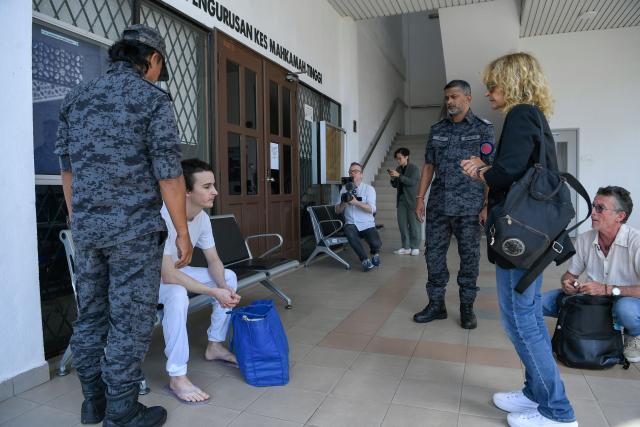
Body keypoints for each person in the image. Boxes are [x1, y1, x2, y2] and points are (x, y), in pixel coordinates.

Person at [55, 24, 192, 426]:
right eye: (158, 66)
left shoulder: (76, 99)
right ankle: (122, 410)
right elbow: (169, 175)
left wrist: (78, 218)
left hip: (88, 230)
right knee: (128, 321)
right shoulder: (152, 99)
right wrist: (183, 232)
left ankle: (92, 403)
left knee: (91, 315)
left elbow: (68, 171)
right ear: (151, 60)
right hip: (133, 232)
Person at [461, 53, 577, 427]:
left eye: (492, 86)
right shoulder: (533, 117)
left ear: (510, 83)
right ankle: (533, 393)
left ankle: (558, 413)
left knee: (523, 321)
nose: (488, 94)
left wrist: (479, 170)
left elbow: (507, 173)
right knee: (516, 319)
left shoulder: (521, 114)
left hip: (520, 236)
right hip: (524, 235)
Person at [413, 80, 496, 330]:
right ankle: (436, 305)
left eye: (454, 97)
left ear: (468, 98)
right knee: (434, 257)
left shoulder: (483, 129)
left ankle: (467, 308)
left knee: (469, 259)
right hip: (439, 206)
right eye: (447, 97)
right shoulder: (437, 129)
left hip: (470, 208)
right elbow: (429, 166)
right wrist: (420, 199)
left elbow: (491, 169)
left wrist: (486, 205)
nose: (449, 102)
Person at [159, 159, 242, 403]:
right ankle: (177, 376)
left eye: (213, 185)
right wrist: (213, 292)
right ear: (186, 191)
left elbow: (214, 260)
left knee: (228, 276)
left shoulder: (203, 218)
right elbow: (167, 275)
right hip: (150, 281)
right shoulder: (162, 216)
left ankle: (214, 346)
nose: (215, 191)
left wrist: (223, 288)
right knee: (176, 294)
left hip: (176, 273)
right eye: (207, 187)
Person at [542, 186, 640, 363]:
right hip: (593, 301)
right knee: (538, 303)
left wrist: (606, 289)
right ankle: (562, 333)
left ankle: (635, 334)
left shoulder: (636, 242)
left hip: (627, 300)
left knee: (625, 310)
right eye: (593, 206)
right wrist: (568, 283)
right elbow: (569, 275)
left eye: (600, 208)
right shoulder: (585, 238)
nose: (592, 212)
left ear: (620, 216)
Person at [335, 162, 382, 272]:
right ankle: (364, 260)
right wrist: (344, 203)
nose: (353, 174)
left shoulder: (369, 189)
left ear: (361, 174)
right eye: (351, 172)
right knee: (349, 231)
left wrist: (356, 202)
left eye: (355, 171)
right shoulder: (343, 189)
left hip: (367, 223)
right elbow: (337, 211)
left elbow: (372, 209)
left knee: (376, 244)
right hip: (351, 223)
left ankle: (375, 252)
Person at [389, 147, 421, 256]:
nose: (398, 161)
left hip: (412, 200)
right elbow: (395, 185)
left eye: (400, 158)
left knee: (414, 225)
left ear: (406, 157)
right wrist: (393, 178)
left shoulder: (414, 168)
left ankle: (415, 246)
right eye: (397, 159)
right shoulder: (398, 169)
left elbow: (412, 182)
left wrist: (399, 176)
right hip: (401, 200)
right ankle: (406, 247)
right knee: (402, 224)